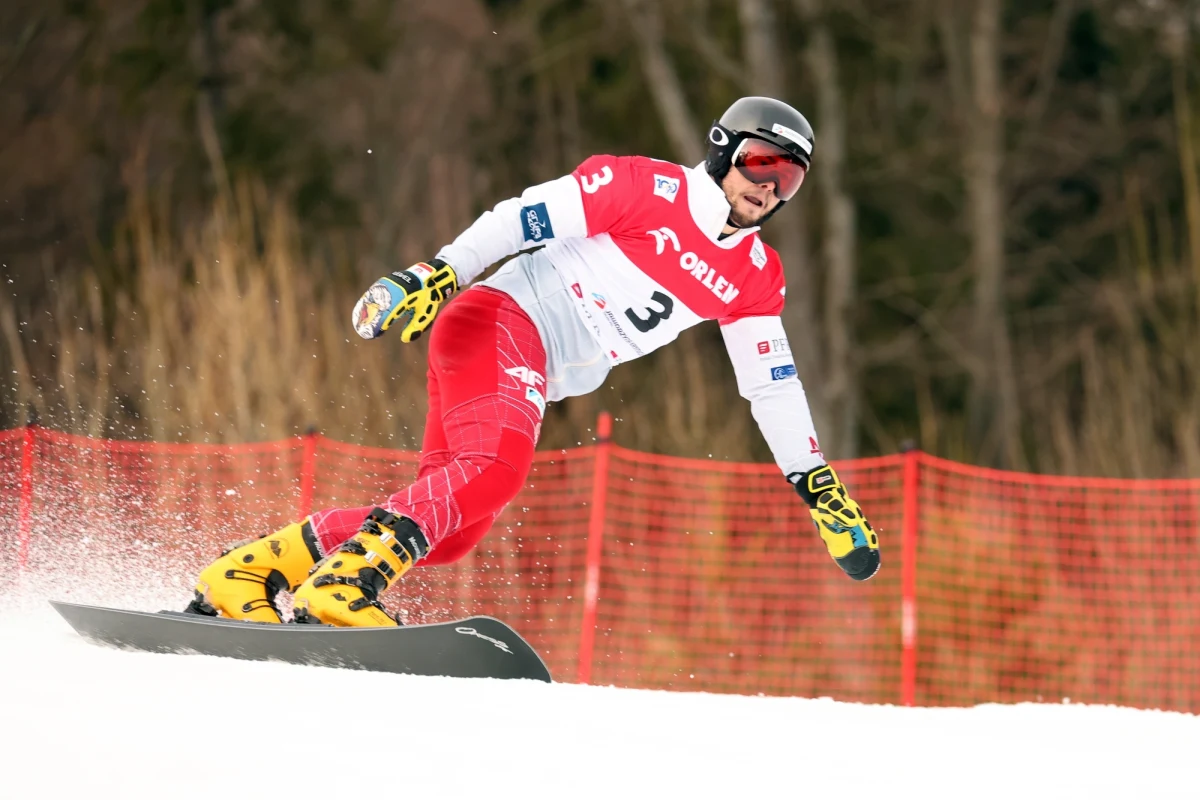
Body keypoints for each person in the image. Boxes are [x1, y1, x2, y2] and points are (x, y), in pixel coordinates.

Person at [186, 96, 881, 628]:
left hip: (529, 367)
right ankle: (344, 586)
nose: (770, 188)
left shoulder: (757, 273)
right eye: (763, 163)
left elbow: (771, 386)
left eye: (789, 179)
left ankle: (246, 575)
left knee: (453, 529)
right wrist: (442, 271)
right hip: (498, 322)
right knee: (494, 470)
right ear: (725, 149)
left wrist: (815, 485)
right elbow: (523, 216)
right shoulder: (647, 188)